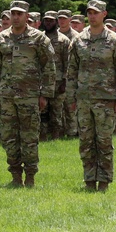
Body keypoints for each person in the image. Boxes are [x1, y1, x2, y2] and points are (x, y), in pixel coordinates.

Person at [66, 0, 116, 192]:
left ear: (104, 14)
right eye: (89, 13)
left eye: (96, 13)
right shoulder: (78, 40)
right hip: (84, 99)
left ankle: (104, 181)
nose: (92, 16)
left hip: (106, 100)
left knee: (104, 142)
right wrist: (71, 98)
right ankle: (89, 180)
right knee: (86, 141)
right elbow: (71, 71)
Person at [0, 0, 56, 188]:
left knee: (29, 137)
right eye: (13, 14)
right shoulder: (0, 39)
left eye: (20, 14)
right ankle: (15, 175)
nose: (16, 17)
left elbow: (49, 67)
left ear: (27, 16)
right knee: (8, 137)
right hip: (6, 96)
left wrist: (45, 94)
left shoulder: (39, 39)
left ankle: (31, 176)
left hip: (29, 95)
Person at [41, 10, 71, 140]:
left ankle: (56, 136)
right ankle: (42, 136)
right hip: (41, 81)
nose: (48, 23)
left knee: (56, 111)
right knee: (42, 110)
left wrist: (65, 81)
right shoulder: (39, 38)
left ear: (56, 22)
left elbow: (68, 62)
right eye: (46, 20)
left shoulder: (63, 40)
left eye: (51, 20)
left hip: (58, 82)